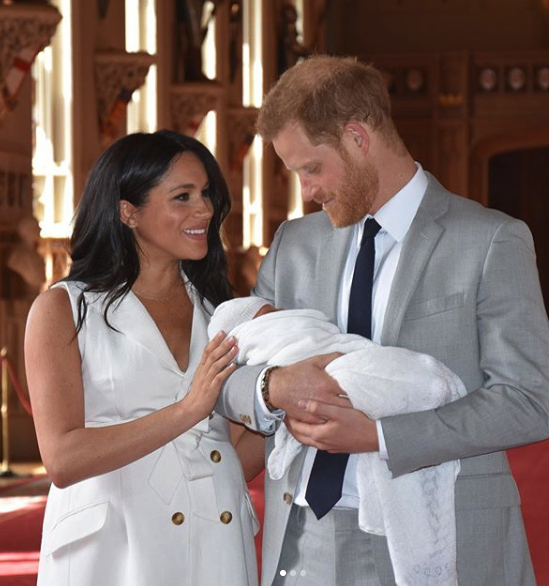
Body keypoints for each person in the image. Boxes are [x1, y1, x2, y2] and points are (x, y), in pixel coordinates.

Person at [215, 55, 549, 586]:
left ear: (357, 137)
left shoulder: (490, 241)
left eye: (310, 167)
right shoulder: (293, 245)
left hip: (445, 534)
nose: (305, 190)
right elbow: (228, 374)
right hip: (306, 535)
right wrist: (273, 386)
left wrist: (382, 436)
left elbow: (530, 400)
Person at [24, 130, 260, 586]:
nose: (206, 210)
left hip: (216, 548)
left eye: (207, 194)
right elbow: (62, 459)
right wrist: (187, 410)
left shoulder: (221, 313)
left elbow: (225, 450)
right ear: (128, 211)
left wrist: (282, 411)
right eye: (183, 196)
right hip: (114, 557)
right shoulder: (64, 310)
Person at [209, 296, 466, 585]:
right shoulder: (285, 259)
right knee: (352, 380)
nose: (278, 312)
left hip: (387, 518)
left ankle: (425, 384)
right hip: (300, 527)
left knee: (375, 376)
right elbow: (226, 382)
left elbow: (524, 397)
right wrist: (274, 386)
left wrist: (379, 436)